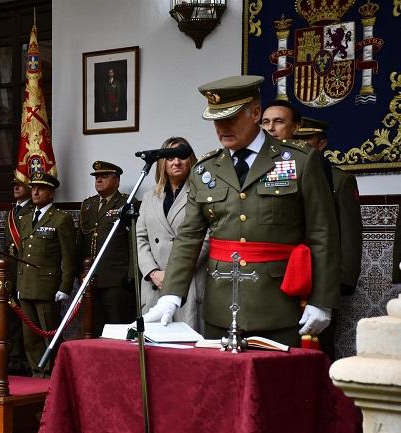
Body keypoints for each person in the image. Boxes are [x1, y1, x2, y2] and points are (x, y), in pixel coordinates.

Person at [144, 75, 340, 347]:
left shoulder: (299, 160)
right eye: (216, 119)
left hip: (279, 306)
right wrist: (171, 294)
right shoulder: (205, 169)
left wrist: (322, 300)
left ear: (256, 113)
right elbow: (189, 236)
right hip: (220, 307)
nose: (222, 127)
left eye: (231, 118)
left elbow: (323, 233)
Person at [136, 137, 207, 331]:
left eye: (182, 157)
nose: (176, 162)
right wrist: (152, 272)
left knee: (186, 348)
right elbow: (140, 239)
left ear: (191, 160)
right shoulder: (149, 197)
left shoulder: (202, 193)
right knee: (154, 347)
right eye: (170, 158)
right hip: (155, 283)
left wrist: (174, 274)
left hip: (188, 281)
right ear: (161, 163)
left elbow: (207, 237)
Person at [295, 116, 362, 297]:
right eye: (295, 139)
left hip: (323, 274)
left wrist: (344, 280)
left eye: (306, 139)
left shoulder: (340, 180)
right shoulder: (281, 177)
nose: (299, 145)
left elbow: (350, 234)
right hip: (287, 271)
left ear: (322, 143)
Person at [17, 171, 75, 377]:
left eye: (40, 188)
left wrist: (65, 287)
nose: (35, 192)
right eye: (33, 188)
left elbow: (69, 257)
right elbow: (21, 255)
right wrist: (18, 284)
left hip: (48, 286)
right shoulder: (24, 219)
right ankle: (37, 372)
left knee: (49, 332)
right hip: (26, 285)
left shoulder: (61, 219)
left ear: (51, 193)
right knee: (29, 335)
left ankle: (56, 372)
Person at [78, 161, 138, 335]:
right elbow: (81, 241)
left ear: (117, 181)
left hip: (116, 280)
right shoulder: (88, 205)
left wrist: (132, 275)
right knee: (94, 329)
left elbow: (133, 240)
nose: (98, 180)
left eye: (104, 176)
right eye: (96, 177)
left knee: (118, 330)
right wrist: (79, 272)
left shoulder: (127, 203)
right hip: (90, 279)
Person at [4, 177, 34, 374]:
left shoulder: (34, 211)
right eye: (13, 183)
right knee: (12, 317)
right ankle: (15, 357)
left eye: (20, 184)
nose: (16, 187)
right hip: (12, 271)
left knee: (29, 318)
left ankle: (31, 360)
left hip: (28, 272)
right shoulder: (11, 213)